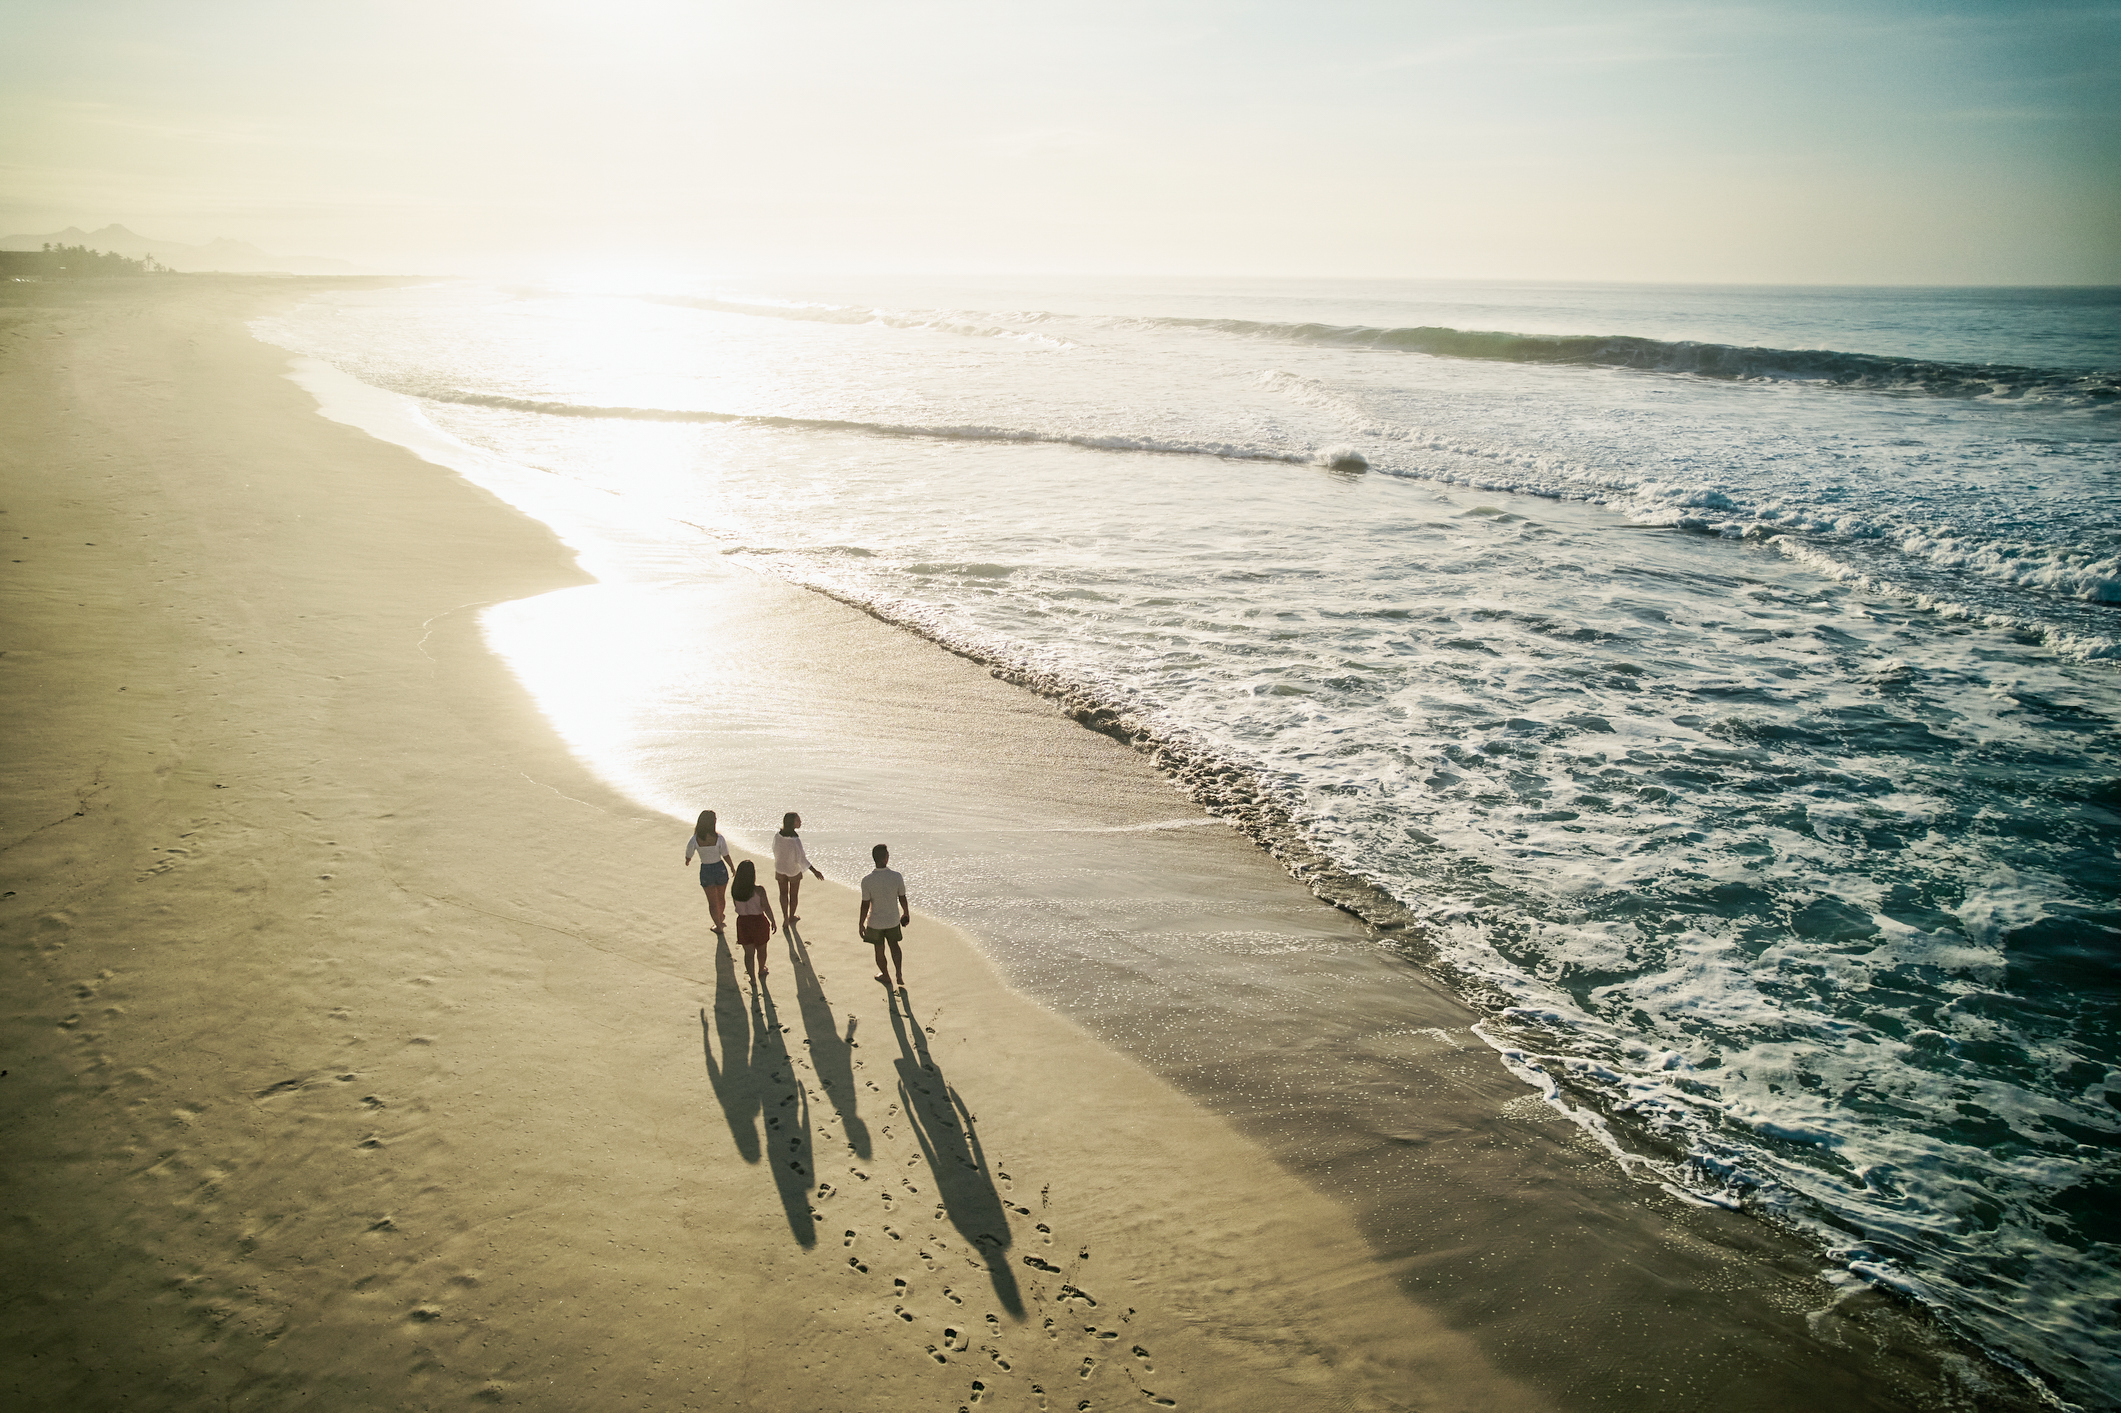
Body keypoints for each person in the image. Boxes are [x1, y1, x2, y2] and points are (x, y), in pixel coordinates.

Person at [858, 843, 910, 989]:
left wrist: (861, 923)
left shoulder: (867, 880)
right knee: (894, 946)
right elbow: (902, 898)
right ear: (886, 858)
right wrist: (906, 913)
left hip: (875, 922)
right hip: (893, 920)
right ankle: (899, 973)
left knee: (879, 949)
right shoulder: (896, 877)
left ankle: (886, 975)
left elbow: (865, 905)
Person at [772, 812, 825, 931]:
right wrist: (815, 871)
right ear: (792, 823)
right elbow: (801, 859)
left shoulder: (777, 835)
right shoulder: (795, 840)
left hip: (780, 868)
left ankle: (785, 916)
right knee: (793, 894)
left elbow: (774, 849)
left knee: (783, 894)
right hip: (793, 870)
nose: (800, 822)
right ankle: (791, 917)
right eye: (798, 820)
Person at [684, 809, 734, 934]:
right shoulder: (719, 838)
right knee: (721, 897)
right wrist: (732, 867)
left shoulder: (695, 839)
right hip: (719, 868)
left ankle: (718, 925)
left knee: (712, 902)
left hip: (706, 870)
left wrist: (688, 860)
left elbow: (689, 853)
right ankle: (720, 917)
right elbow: (725, 855)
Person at [729, 859, 777, 985]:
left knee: (748, 954)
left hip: (743, 923)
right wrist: (773, 921)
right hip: (758, 922)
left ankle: (752, 978)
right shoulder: (759, 890)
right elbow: (766, 907)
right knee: (762, 950)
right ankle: (761, 969)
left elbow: (736, 906)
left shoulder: (735, 890)